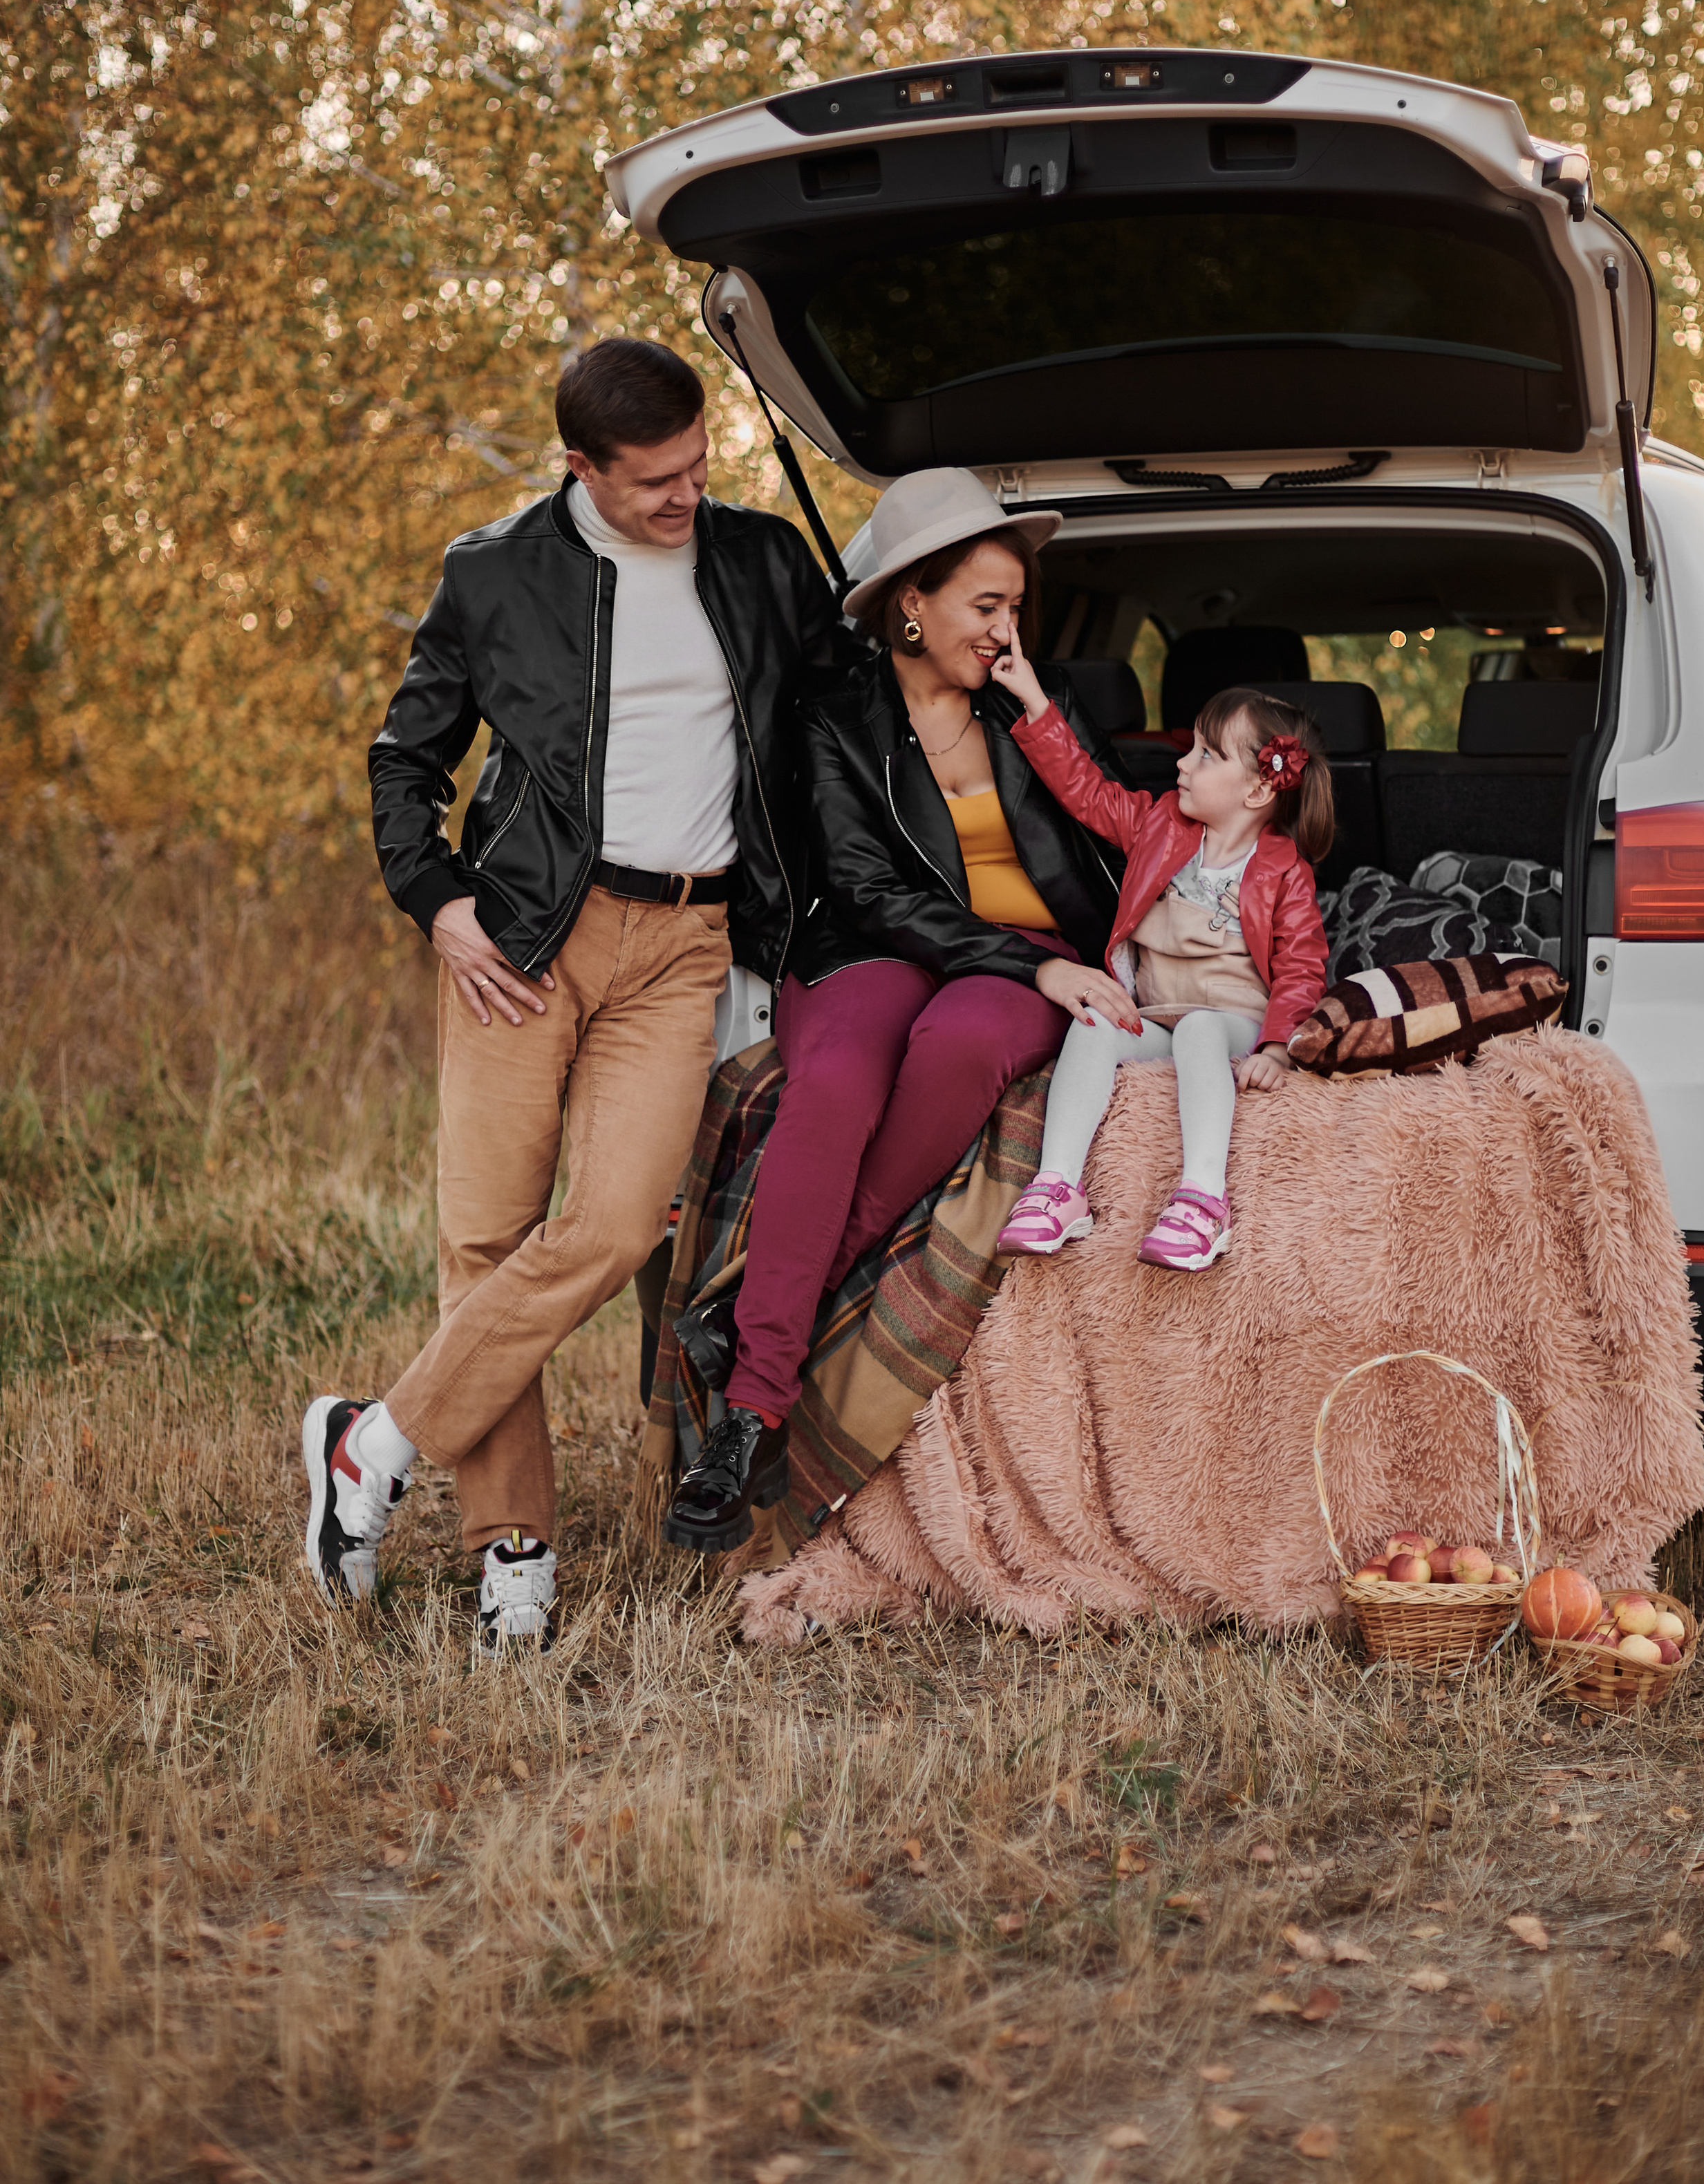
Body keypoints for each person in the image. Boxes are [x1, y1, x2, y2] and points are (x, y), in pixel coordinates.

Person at [303, 335, 856, 1650]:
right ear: (581, 468)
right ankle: (516, 1557)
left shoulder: (762, 561)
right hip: (525, 940)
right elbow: (406, 760)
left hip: (687, 945)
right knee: (489, 1242)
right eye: (656, 480)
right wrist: (438, 905)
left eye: (697, 465)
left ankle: (371, 1441)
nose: (686, 496)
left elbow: (842, 722)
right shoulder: (496, 573)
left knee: (615, 1228)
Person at [666, 468, 1134, 1546]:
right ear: (911, 605)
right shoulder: (835, 719)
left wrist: (1036, 714)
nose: (1007, 627)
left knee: (961, 1046)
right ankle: (749, 1425)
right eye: (987, 605)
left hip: (1021, 960)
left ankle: (745, 1343)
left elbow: (1121, 835)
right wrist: (1024, 966)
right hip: (869, 944)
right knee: (832, 1082)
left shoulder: (1039, 704)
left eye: (1017, 606)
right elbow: (870, 888)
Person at [990, 650, 1331, 1270]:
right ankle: (1058, 1187)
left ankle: (1203, 1200)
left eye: (1206, 755)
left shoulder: (1286, 870)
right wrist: (1036, 701)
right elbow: (1086, 792)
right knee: (1092, 1022)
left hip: (1231, 1019)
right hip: (1158, 1013)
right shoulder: (1160, 826)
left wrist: (1279, 1047)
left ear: (1258, 787)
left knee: (1201, 1029)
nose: (1182, 763)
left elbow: (1303, 967)